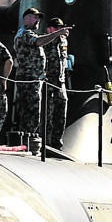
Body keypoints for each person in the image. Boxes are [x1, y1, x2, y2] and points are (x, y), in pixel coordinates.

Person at [12, 7, 73, 140]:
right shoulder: (25, 33)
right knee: (32, 113)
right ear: (26, 18)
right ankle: (30, 141)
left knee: (34, 113)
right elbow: (38, 42)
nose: (38, 20)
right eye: (35, 17)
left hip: (41, 80)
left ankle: (39, 140)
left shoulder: (30, 34)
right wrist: (57, 34)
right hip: (29, 79)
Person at [41, 17, 72, 148]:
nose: (59, 30)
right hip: (49, 81)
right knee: (48, 113)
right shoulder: (45, 39)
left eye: (60, 28)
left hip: (60, 82)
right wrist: (56, 35)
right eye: (56, 28)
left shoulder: (63, 41)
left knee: (61, 113)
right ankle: (46, 141)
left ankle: (57, 141)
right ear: (49, 29)